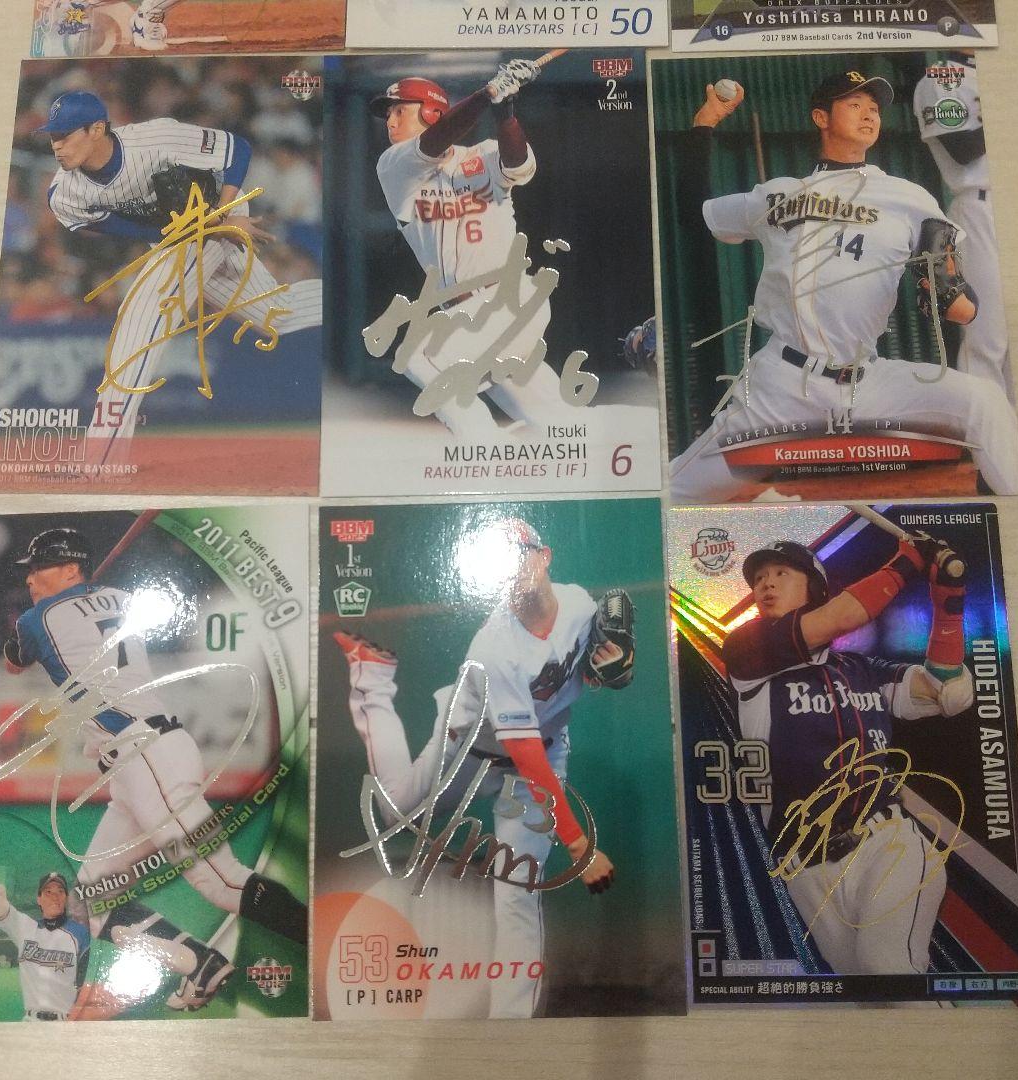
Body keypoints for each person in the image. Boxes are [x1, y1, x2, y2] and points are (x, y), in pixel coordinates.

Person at [666, 69, 1018, 500]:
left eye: (874, 108)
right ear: (821, 117)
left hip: (867, 384)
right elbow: (694, 212)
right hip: (782, 390)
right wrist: (705, 122)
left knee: (985, 401)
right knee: (674, 491)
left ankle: (1015, 514)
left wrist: (949, 293)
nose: (869, 114)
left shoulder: (909, 198)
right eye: (854, 105)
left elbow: (961, 304)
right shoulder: (778, 194)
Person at [332, 518, 631, 1017]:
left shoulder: (580, 605)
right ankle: (375, 680)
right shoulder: (495, 647)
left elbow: (592, 670)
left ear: (544, 556)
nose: (515, 570)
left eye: (522, 555)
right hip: (468, 753)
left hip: (542, 753)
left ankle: (510, 1030)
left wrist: (613, 667)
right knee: (393, 813)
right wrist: (579, 846)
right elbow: (524, 751)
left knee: (517, 893)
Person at [1, 526, 308, 1011]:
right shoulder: (122, 599)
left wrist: (45, 615)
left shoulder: (36, 619)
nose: (30, 579)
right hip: (137, 765)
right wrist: (78, 596)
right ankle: (200, 963)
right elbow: (86, 618)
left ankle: (322, 937)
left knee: (222, 881)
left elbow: (15, 662)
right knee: (89, 900)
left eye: (40, 568)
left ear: (71, 568)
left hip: (145, 755)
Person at [720, 533, 972, 974]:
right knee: (865, 993)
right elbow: (844, 616)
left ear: (815, 588)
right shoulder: (747, 650)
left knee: (887, 967)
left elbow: (945, 691)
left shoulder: (862, 670)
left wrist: (948, 602)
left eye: (781, 573)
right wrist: (907, 561)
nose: (765, 584)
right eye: (758, 578)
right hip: (803, 866)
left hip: (885, 842)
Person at [39, 90, 322, 467]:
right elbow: (116, 225)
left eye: (64, 134)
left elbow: (236, 149)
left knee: (141, 319)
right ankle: (345, 296)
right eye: (52, 136)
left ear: (96, 129)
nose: (56, 145)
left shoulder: (155, 138)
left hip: (219, 207)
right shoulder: (65, 194)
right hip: (183, 233)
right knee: (277, 314)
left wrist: (223, 214)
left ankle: (99, 461)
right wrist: (174, 231)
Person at [370, 63, 583, 439]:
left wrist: (505, 111)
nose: (390, 121)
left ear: (431, 112)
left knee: (421, 357)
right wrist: (488, 95)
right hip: (468, 313)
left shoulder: (484, 153)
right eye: (389, 113)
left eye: (399, 110)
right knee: (565, 427)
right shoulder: (393, 166)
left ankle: (483, 450)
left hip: (510, 297)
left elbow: (518, 164)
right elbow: (434, 142)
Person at [913, 53, 1010, 393]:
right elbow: (962, 149)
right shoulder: (942, 76)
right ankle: (980, 426)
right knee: (988, 336)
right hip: (981, 207)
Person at [0, 817, 91, 1021]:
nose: (54, 896)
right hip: (30, 1022)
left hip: (64, 1023)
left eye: (60, 891)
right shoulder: (25, 927)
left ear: (66, 898)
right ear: (39, 899)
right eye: (48, 892)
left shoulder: (80, 935)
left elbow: (89, 984)